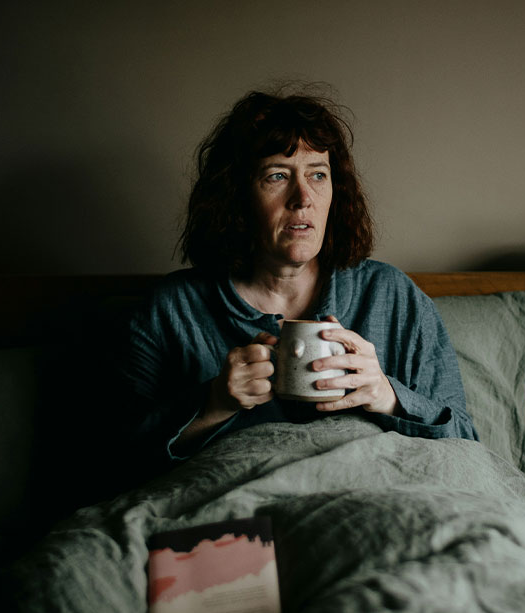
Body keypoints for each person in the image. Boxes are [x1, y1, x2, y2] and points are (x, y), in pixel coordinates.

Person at [119, 89, 477, 461]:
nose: (303, 198)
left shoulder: (392, 296)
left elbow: (468, 445)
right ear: (236, 196)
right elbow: (111, 467)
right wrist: (212, 405)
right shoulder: (173, 309)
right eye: (277, 175)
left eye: (318, 175)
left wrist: (387, 396)